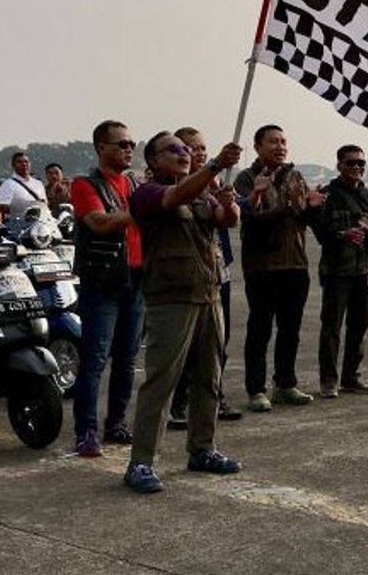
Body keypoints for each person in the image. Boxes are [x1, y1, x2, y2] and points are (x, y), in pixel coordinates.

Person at [123, 133, 243, 493]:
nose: (183, 154)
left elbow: (227, 220)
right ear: (154, 161)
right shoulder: (148, 192)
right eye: (173, 150)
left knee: (209, 377)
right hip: (171, 297)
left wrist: (227, 201)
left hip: (207, 293)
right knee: (161, 381)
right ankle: (141, 461)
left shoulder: (201, 191)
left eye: (187, 150)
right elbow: (176, 196)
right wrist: (215, 165)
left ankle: (202, 448)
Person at [233, 124, 325, 413]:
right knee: (260, 328)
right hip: (262, 266)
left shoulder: (295, 176)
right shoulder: (247, 179)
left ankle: (285, 384)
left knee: (290, 328)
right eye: (273, 141)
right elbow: (250, 219)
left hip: (295, 263)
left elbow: (303, 218)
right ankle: (256, 389)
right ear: (258, 147)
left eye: (284, 141)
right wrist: (286, 207)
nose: (280, 146)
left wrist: (312, 207)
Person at [70, 121, 144, 457]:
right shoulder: (86, 185)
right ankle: (86, 430)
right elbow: (98, 222)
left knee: (127, 359)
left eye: (131, 143)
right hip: (103, 282)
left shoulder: (132, 184)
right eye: (122, 144)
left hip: (136, 280)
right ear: (101, 147)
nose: (129, 148)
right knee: (95, 359)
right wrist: (138, 211)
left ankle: (116, 423)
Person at [168, 128, 241, 429]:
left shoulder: (214, 182)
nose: (197, 153)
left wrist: (228, 201)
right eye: (190, 148)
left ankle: (215, 394)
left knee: (218, 343)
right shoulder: (176, 185)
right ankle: (179, 402)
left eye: (202, 148)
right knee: (186, 345)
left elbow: (232, 219)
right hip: (186, 275)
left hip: (217, 270)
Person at [311, 144, 368, 398]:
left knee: (360, 325)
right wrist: (341, 235)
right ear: (339, 165)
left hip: (364, 271)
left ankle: (351, 377)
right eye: (351, 163)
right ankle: (328, 380)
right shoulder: (327, 195)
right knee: (331, 328)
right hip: (337, 272)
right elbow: (320, 233)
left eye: (360, 164)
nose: (356, 167)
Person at [0, 151, 47, 221]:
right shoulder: (7, 184)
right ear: (13, 165)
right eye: (19, 162)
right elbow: (3, 207)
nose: (24, 164)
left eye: (26, 162)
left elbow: (44, 205)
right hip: (18, 224)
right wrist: (25, 206)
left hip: (39, 223)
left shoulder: (38, 184)